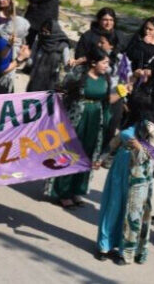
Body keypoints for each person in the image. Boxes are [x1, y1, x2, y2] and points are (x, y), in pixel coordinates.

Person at [45, 48, 116, 208]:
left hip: (95, 120)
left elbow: (106, 101)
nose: (107, 65)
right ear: (93, 62)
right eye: (104, 62)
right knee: (71, 153)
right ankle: (62, 192)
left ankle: (77, 189)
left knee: (87, 154)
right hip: (77, 118)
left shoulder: (105, 78)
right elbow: (61, 88)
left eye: (108, 63)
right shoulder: (79, 75)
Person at [94, 96, 154, 265]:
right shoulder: (129, 121)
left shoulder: (150, 129)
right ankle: (104, 246)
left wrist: (139, 148)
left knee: (132, 213)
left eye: (128, 104)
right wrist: (101, 158)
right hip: (119, 170)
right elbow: (115, 141)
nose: (124, 106)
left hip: (138, 176)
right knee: (112, 206)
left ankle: (126, 252)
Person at [0, 16, 31, 94]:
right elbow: (3, 69)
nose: (26, 33)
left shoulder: (2, 33)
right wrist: (20, 58)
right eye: (25, 30)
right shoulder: (3, 43)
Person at [26, 20, 70, 92]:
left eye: (46, 32)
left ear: (54, 32)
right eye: (42, 31)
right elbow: (30, 62)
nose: (44, 34)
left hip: (51, 82)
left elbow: (67, 68)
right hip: (35, 81)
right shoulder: (39, 42)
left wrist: (70, 64)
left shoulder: (63, 46)